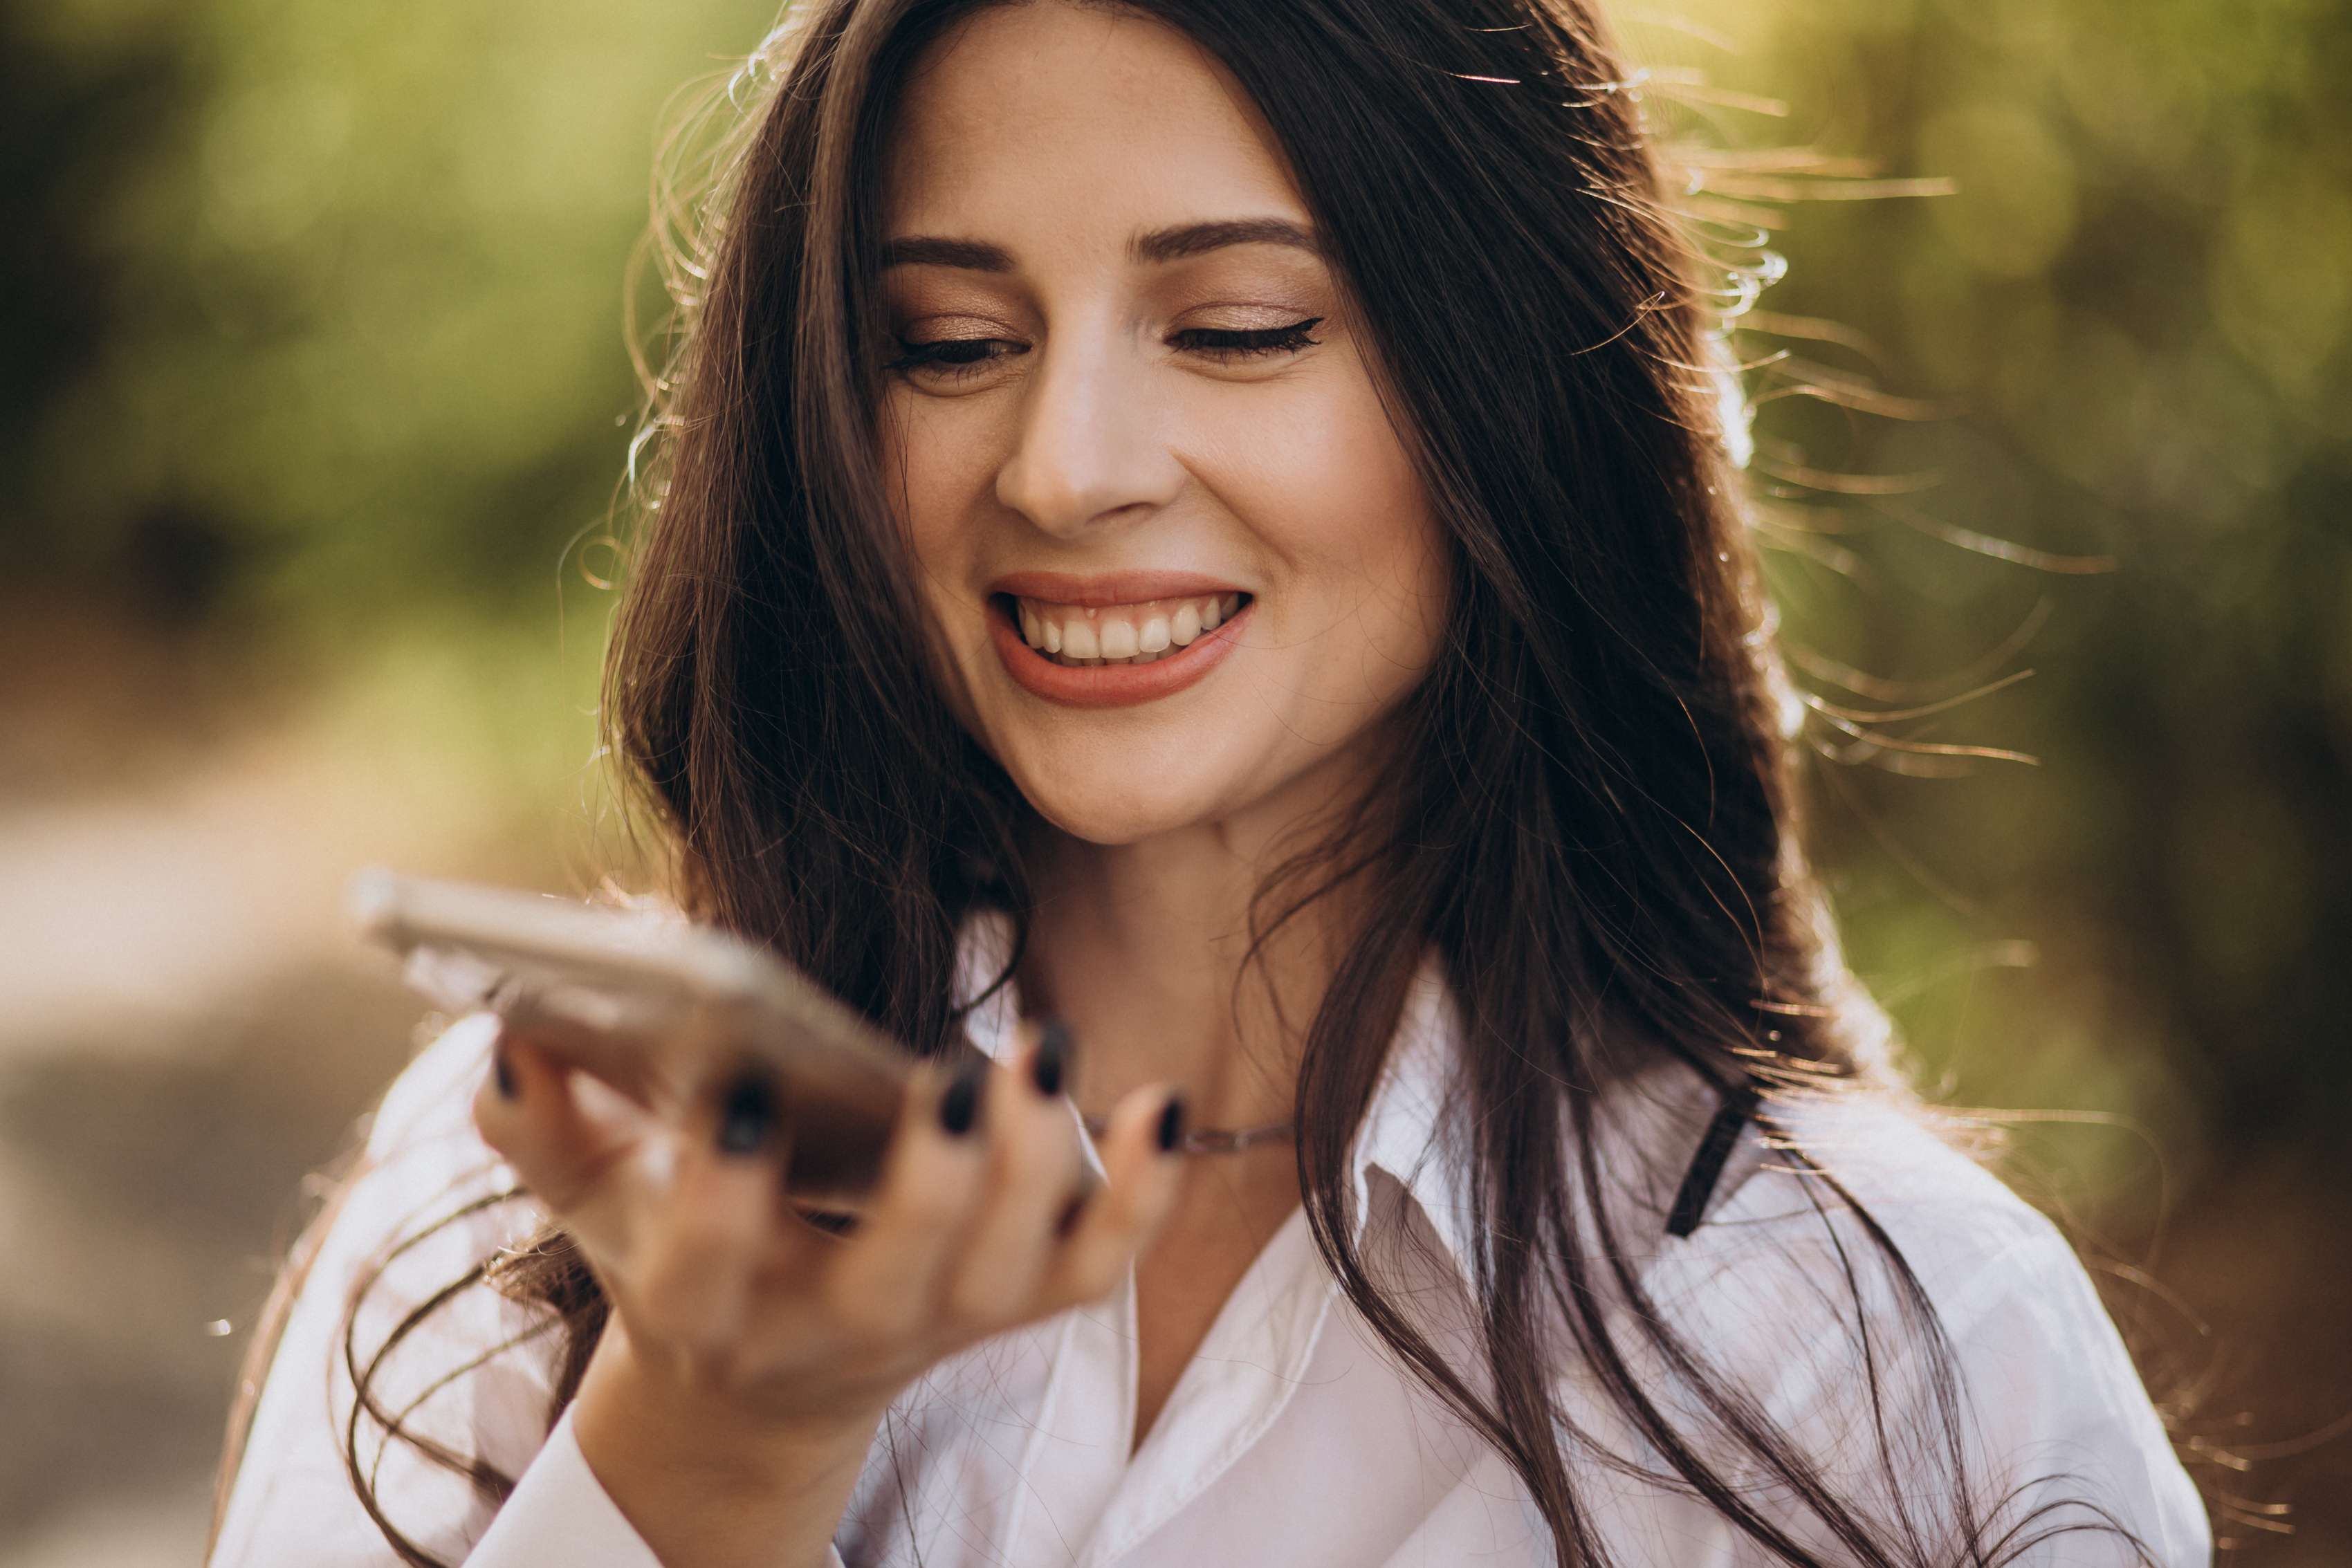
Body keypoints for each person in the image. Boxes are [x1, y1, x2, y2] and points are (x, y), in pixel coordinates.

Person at [208, 1, 2210, 1565]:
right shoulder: (542, 1209)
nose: (1067, 465)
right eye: (951, 341)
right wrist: (700, 1459)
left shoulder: (1883, 1347)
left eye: (1239, 327)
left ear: (1505, 378)